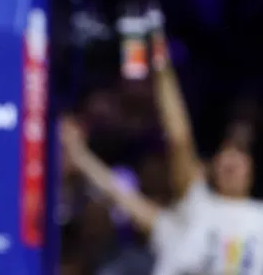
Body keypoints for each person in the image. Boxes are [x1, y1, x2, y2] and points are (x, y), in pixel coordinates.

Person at [62, 20, 263, 275]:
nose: (231, 160)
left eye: (241, 155)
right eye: (225, 153)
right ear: (208, 167)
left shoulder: (259, 218)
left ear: (254, 170)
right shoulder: (196, 207)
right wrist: (79, 156)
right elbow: (178, 141)